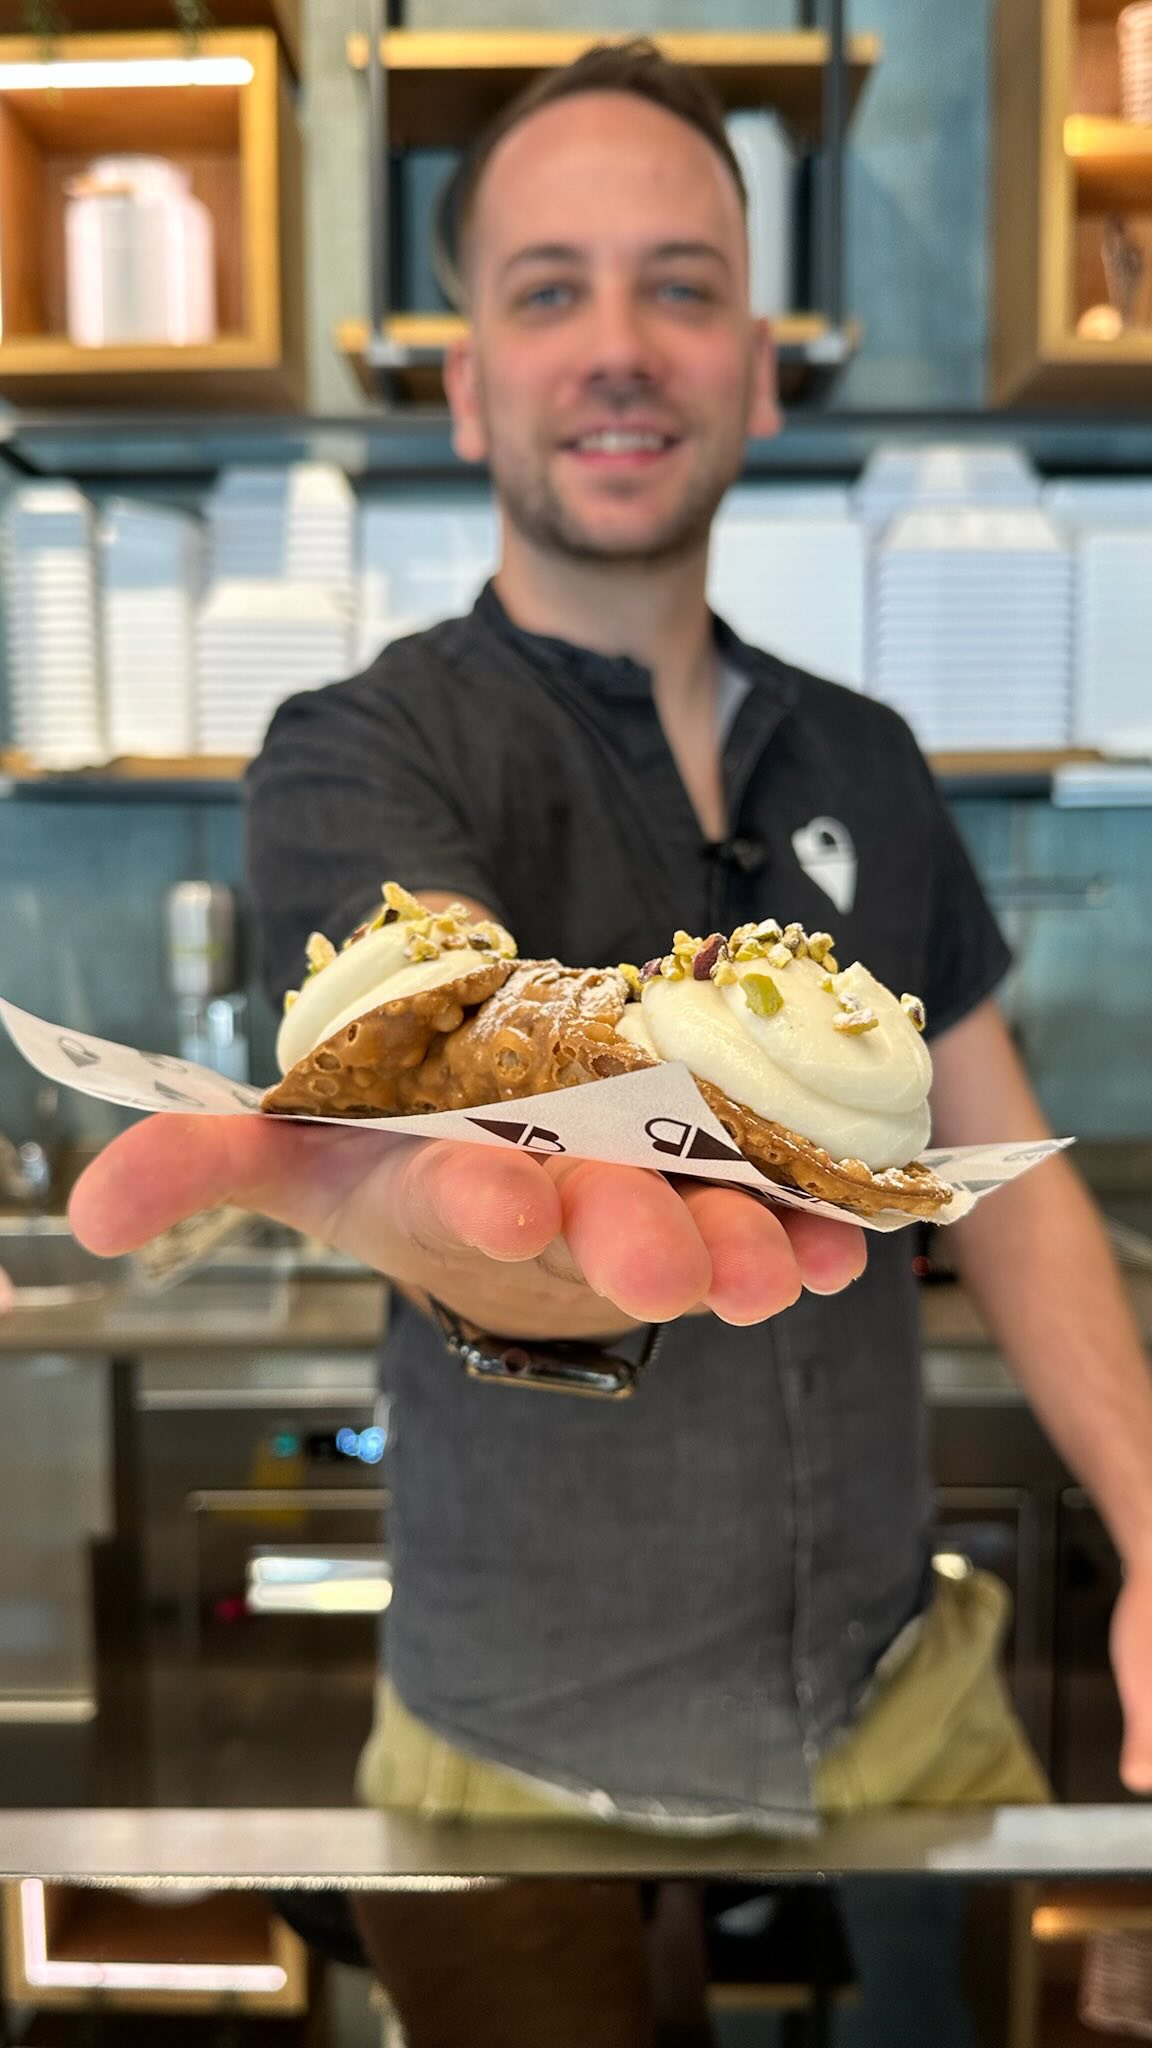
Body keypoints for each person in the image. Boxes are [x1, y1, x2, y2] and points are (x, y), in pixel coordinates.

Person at [69, 39, 1152, 2047]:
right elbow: (421, 1158)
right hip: (513, 1735)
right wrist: (471, 1229)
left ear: (758, 360)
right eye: (547, 288)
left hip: (897, 1698)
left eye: (682, 280)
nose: (621, 346)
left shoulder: (869, 762)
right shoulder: (369, 749)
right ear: (469, 376)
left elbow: (1006, 1166)